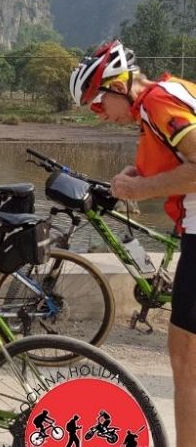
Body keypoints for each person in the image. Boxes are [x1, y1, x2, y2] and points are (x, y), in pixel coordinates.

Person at [70, 39, 196, 447]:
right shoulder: (165, 97)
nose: (98, 113)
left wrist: (140, 189)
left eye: (97, 101)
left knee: (186, 357)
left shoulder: (159, 103)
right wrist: (140, 177)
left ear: (119, 85)